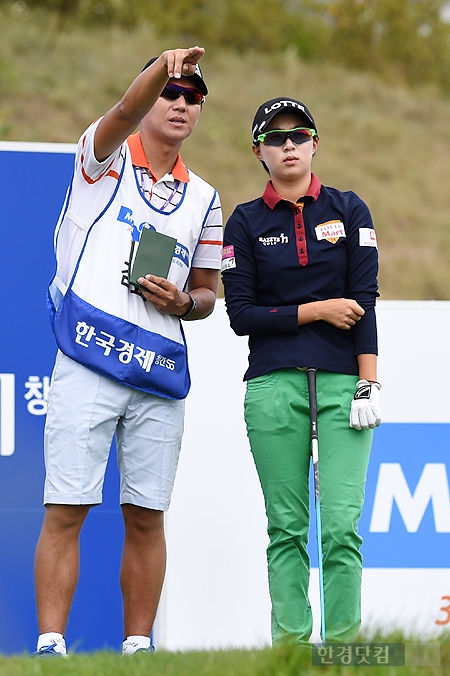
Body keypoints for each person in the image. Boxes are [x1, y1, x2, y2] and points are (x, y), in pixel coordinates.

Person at [33, 46, 223, 656]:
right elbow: (121, 109)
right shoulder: (103, 159)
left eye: (193, 96)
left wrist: (180, 303)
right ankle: (51, 645)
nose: (181, 104)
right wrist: (159, 70)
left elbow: (208, 295)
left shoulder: (205, 197)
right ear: (149, 94)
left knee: (147, 516)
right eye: (171, 92)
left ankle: (138, 650)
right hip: (87, 359)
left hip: (157, 371)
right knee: (68, 507)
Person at [221, 97, 380, 646]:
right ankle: (289, 654)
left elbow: (365, 301)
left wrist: (369, 381)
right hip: (271, 386)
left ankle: (343, 650)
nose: (288, 144)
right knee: (286, 531)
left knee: (341, 530)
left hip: (343, 386)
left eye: (298, 134)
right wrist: (316, 311)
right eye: (275, 136)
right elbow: (241, 316)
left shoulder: (349, 208)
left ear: (315, 142)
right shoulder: (243, 221)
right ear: (259, 151)